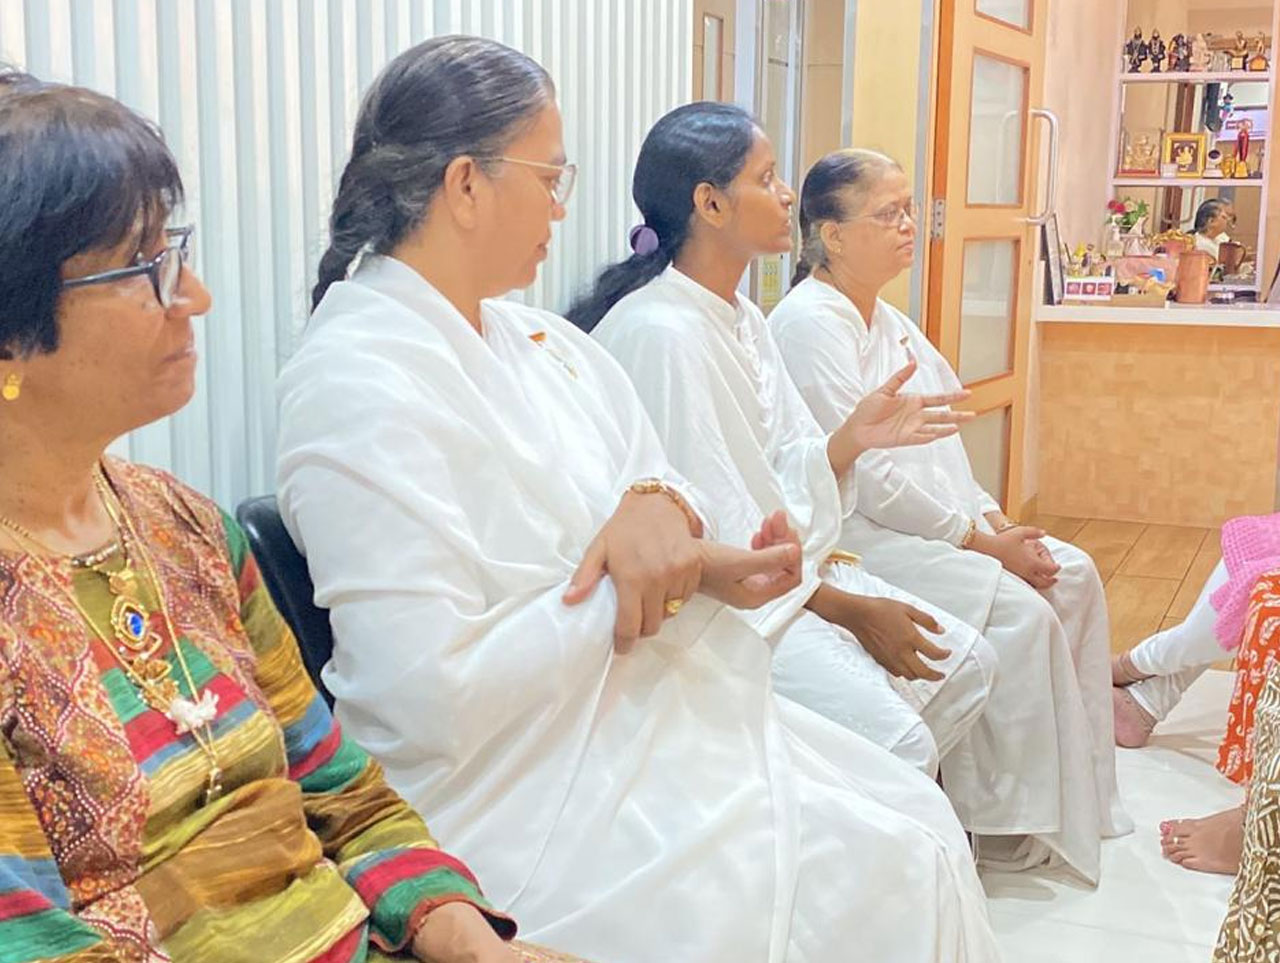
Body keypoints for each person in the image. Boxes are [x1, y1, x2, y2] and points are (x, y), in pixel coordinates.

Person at [276, 37, 1001, 963]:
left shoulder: (534, 339)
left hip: (621, 711)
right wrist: (653, 572)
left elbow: (657, 481)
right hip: (514, 778)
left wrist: (679, 530)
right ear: (465, 185)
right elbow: (429, 696)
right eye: (550, 177)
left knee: (912, 822)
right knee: (882, 870)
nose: (563, 205)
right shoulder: (357, 379)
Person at [0, 74, 568, 963]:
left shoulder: (185, 527)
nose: (195, 296)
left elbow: (344, 794)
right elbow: (30, 940)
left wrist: (469, 941)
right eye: (145, 266)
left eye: (174, 251)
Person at [573, 102, 995, 779]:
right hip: (718, 613)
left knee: (969, 662)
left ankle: (900, 823)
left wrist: (848, 441)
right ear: (711, 204)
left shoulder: (741, 314)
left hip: (789, 575)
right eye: (766, 177)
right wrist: (845, 608)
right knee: (900, 744)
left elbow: (784, 462)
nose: (788, 193)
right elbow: (713, 530)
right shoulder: (662, 333)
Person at [767, 147, 1131, 882]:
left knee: (1074, 574)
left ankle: (1082, 794)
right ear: (832, 235)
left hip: (940, 523)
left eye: (909, 210)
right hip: (867, 535)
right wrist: (979, 542)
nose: (910, 226)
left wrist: (994, 524)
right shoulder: (807, 325)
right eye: (889, 214)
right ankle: (1005, 818)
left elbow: (945, 441)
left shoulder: (889, 320)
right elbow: (866, 475)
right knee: (1025, 616)